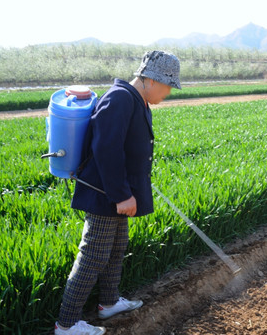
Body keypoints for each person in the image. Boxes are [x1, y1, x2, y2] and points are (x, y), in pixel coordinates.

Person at [55, 50, 182, 335]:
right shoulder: (120, 98)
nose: (168, 93)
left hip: (116, 193)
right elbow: (106, 149)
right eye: (167, 86)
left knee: (116, 247)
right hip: (104, 195)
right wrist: (122, 195)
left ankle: (109, 302)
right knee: (93, 255)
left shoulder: (137, 101)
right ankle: (66, 323)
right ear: (150, 79)